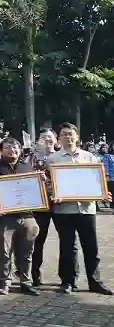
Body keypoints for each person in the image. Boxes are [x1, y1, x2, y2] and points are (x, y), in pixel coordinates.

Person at [46, 122, 113, 295]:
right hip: (63, 209)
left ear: (77, 136)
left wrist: (102, 193)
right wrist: (53, 193)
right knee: (67, 247)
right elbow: (48, 184)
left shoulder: (90, 157)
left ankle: (95, 281)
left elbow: (97, 180)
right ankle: (68, 281)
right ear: (58, 138)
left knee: (91, 246)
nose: (68, 136)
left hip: (86, 208)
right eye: (64, 134)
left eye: (70, 133)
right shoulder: (52, 160)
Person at [0, 138, 40, 296]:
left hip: (26, 214)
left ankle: (25, 281)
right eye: (8, 147)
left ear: (20, 149)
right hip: (3, 217)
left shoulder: (27, 167)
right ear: (1, 150)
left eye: (15, 147)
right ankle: (4, 282)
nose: (12, 150)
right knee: (4, 252)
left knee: (27, 251)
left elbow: (34, 191)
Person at [30, 128, 74, 286]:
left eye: (50, 137)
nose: (47, 140)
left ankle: (68, 278)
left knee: (67, 241)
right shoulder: (31, 157)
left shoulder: (62, 157)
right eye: (43, 137)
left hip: (61, 203)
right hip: (40, 204)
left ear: (56, 139)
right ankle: (34, 274)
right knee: (37, 240)